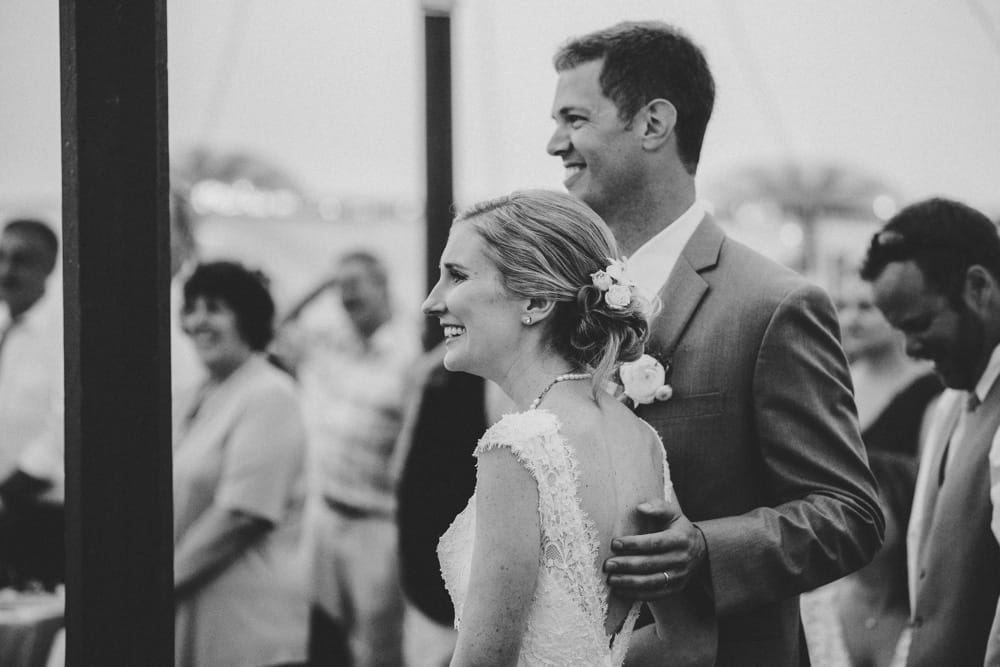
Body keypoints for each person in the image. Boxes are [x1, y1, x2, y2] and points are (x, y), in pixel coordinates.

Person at [546, 21, 884, 664]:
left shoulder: (773, 304)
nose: (555, 142)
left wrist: (704, 547)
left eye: (574, 118)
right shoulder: (568, 301)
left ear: (653, 124)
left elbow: (850, 515)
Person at [424, 189, 697, 665]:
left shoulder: (520, 446)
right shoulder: (642, 438)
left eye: (457, 276)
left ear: (534, 299)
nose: (432, 302)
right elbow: (690, 643)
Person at [860, 197, 1000, 666]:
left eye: (919, 324)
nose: (911, 349)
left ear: (978, 286)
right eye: (899, 330)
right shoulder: (943, 410)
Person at [276, 250, 419, 667]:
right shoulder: (329, 342)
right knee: (318, 637)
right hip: (322, 516)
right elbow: (277, 326)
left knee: (379, 645)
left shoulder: (407, 353)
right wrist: (323, 282)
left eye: (357, 281)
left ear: (383, 286)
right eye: (341, 284)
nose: (347, 290)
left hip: (376, 525)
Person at [173, 261, 309, 667]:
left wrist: (153, 588)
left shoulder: (271, 395)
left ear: (247, 317)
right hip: (193, 607)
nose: (199, 320)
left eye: (214, 308)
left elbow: (241, 517)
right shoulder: (193, 394)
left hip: (246, 623)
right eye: (191, 308)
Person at [0, 218, 65, 587]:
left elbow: (62, 427)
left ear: (50, 266)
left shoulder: (62, 333)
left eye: (22, 260)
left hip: (39, 515)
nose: (7, 271)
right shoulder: (4, 326)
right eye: (1, 257)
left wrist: (7, 493)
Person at [835, 276, 942, 459]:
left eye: (865, 307)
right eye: (842, 307)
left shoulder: (929, 390)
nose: (849, 320)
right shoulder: (834, 381)